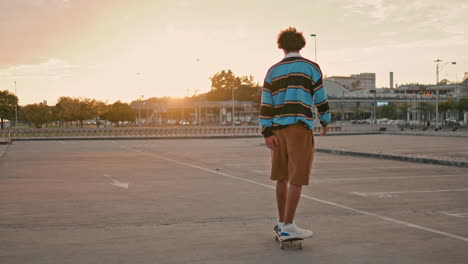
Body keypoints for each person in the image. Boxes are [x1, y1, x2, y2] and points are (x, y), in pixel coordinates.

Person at [259, 27, 330, 240]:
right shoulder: (311, 67)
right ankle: (289, 226)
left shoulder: (272, 71)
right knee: (297, 177)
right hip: (299, 127)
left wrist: (267, 132)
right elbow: (320, 98)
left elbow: (266, 103)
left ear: (281, 46)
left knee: (281, 177)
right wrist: (325, 120)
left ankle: (282, 223)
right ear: (302, 45)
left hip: (277, 129)